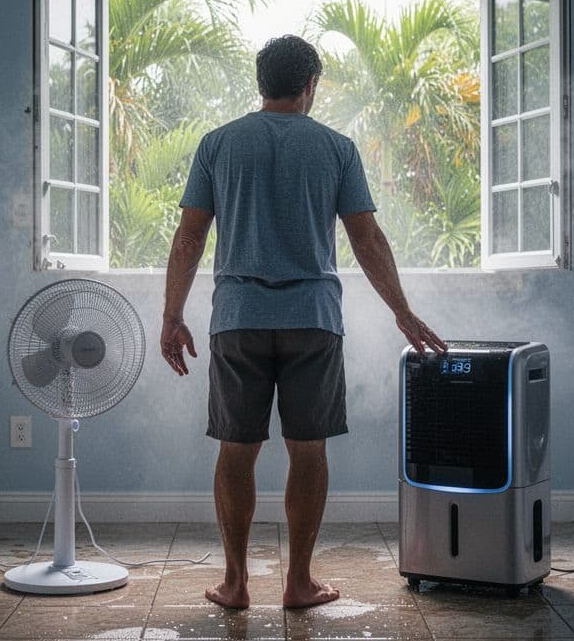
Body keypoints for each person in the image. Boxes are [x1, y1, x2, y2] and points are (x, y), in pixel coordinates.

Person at [159, 34, 447, 610]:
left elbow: (191, 235)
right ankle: (298, 583)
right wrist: (402, 311)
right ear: (310, 85)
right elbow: (366, 238)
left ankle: (236, 583)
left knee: (236, 451)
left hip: (237, 320)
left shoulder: (218, 144)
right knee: (308, 450)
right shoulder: (336, 148)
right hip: (312, 321)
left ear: (262, 83)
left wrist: (172, 316)